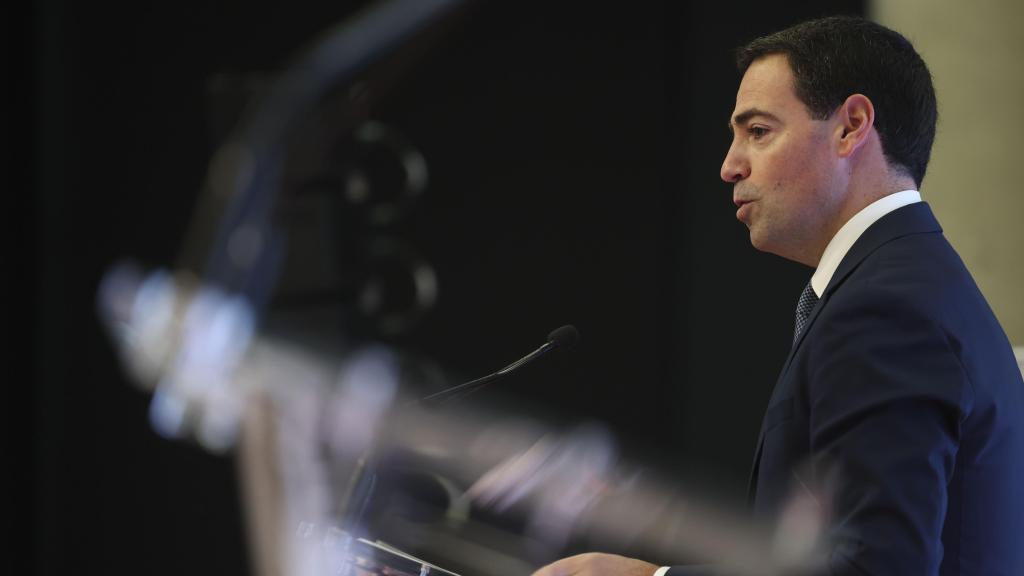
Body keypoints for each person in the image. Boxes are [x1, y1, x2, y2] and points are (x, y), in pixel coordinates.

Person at [533, 15, 1024, 576]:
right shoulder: (912, 283)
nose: (728, 166)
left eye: (758, 131)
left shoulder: (885, 309)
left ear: (851, 125)